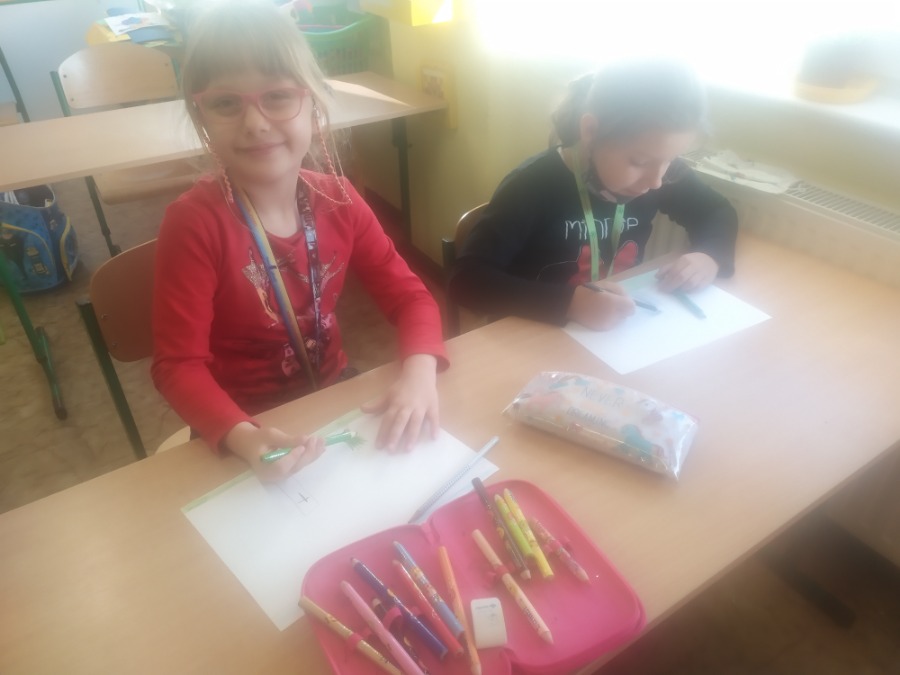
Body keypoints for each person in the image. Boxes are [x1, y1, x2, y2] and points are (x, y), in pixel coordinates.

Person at [151, 0, 446, 480]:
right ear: (202, 118)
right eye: (226, 103)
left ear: (314, 106)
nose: (255, 122)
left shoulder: (339, 199)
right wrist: (243, 436)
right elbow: (177, 366)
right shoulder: (194, 224)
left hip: (332, 397)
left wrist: (419, 374)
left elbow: (412, 299)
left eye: (278, 96)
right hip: (240, 425)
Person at [449, 58, 738, 331]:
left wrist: (710, 256)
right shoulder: (531, 186)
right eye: (638, 161)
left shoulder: (657, 170)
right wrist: (569, 304)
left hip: (613, 329)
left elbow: (716, 210)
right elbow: (466, 281)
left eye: (670, 161)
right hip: (538, 330)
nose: (656, 181)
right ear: (590, 130)